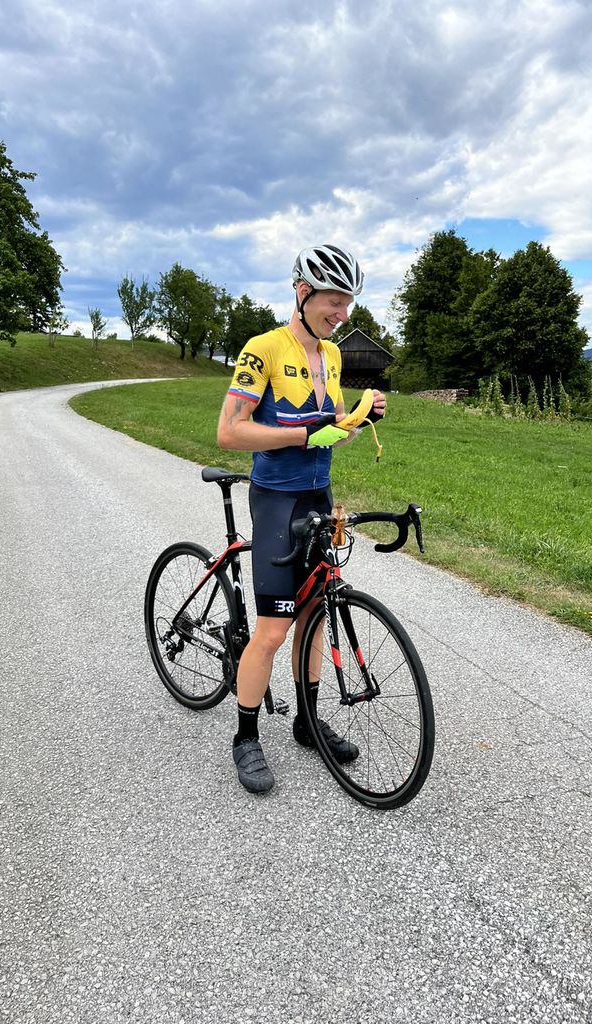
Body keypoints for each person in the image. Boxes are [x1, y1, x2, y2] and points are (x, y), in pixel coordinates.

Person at [217, 244, 386, 794]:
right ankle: (245, 737)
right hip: (277, 500)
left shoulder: (332, 355)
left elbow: (329, 429)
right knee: (273, 627)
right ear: (303, 292)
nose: (342, 313)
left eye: (347, 303)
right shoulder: (263, 348)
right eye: (334, 301)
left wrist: (357, 418)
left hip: (319, 496)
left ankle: (307, 722)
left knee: (315, 611)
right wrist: (300, 435)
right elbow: (229, 432)